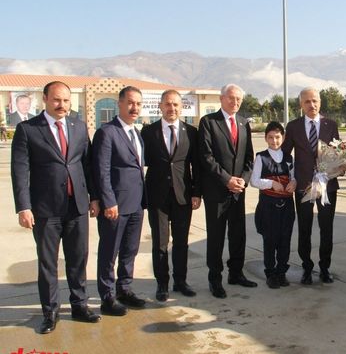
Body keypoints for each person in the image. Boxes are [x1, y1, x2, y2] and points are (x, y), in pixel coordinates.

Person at [11, 81, 101, 334]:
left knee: (78, 260)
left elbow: (87, 164)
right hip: (45, 210)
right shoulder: (27, 130)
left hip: (77, 207)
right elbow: (20, 171)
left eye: (66, 101)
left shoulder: (79, 126)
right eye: (57, 100)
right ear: (45, 99)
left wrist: (94, 198)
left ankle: (80, 305)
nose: (62, 105)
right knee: (48, 263)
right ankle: (50, 313)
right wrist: (23, 207)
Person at [141, 90, 201, 302]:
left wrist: (196, 193)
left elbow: (197, 166)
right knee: (160, 242)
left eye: (175, 105)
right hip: (157, 197)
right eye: (168, 104)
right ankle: (162, 283)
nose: (172, 108)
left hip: (183, 196)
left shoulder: (191, 132)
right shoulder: (148, 132)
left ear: (181, 107)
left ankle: (181, 281)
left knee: (182, 242)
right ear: (160, 106)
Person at [93, 86, 147, 316]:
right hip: (115, 205)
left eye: (138, 104)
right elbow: (101, 171)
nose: (135, 108)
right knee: (109, 252)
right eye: (130, 103)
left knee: (130, 250)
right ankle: (107, 297)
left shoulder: (137, 133)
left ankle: (124, 289)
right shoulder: (107, 132)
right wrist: (108, 201)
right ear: (120, 104)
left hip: (136, 204)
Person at [199, 83, 256, 299]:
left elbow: (249, 157)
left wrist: (243, 180)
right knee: (216, 237)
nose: (235, 102)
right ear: (222, 99)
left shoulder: (243, 123)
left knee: (237, 234)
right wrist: (226, 180)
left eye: (239, 99)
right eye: (231, 98)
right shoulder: (209, 122)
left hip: (238, 191)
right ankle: (215, 279)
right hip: (217, 191)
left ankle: (236, 273)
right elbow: (206, 156)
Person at [282, 87, 340, 285]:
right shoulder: (293, 126)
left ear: (320, 102)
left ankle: (325, 268)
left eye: (314, 101)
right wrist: (291, 177)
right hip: (303, 186)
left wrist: (339, 167)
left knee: (327, 229)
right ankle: (306, 268)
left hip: (328, 187)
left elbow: (338, 153)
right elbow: (285, 155)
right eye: (307, 101)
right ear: (301, 104)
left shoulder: (331, 125)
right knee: (304, 229)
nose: (311, 105)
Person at [250, 121, 297, 289]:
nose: (274, 141)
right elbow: (254, 181)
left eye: (277, 137)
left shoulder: (289, 157)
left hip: (287, 205)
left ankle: (281, 272)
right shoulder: (261, 157)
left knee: (285, 239)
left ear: (283, 138)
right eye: (270, 137)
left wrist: (294, 183)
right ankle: (270, 274)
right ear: (265, 138)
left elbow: (293, 176)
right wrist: (271, 183)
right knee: (270, 240)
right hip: (268, 205)